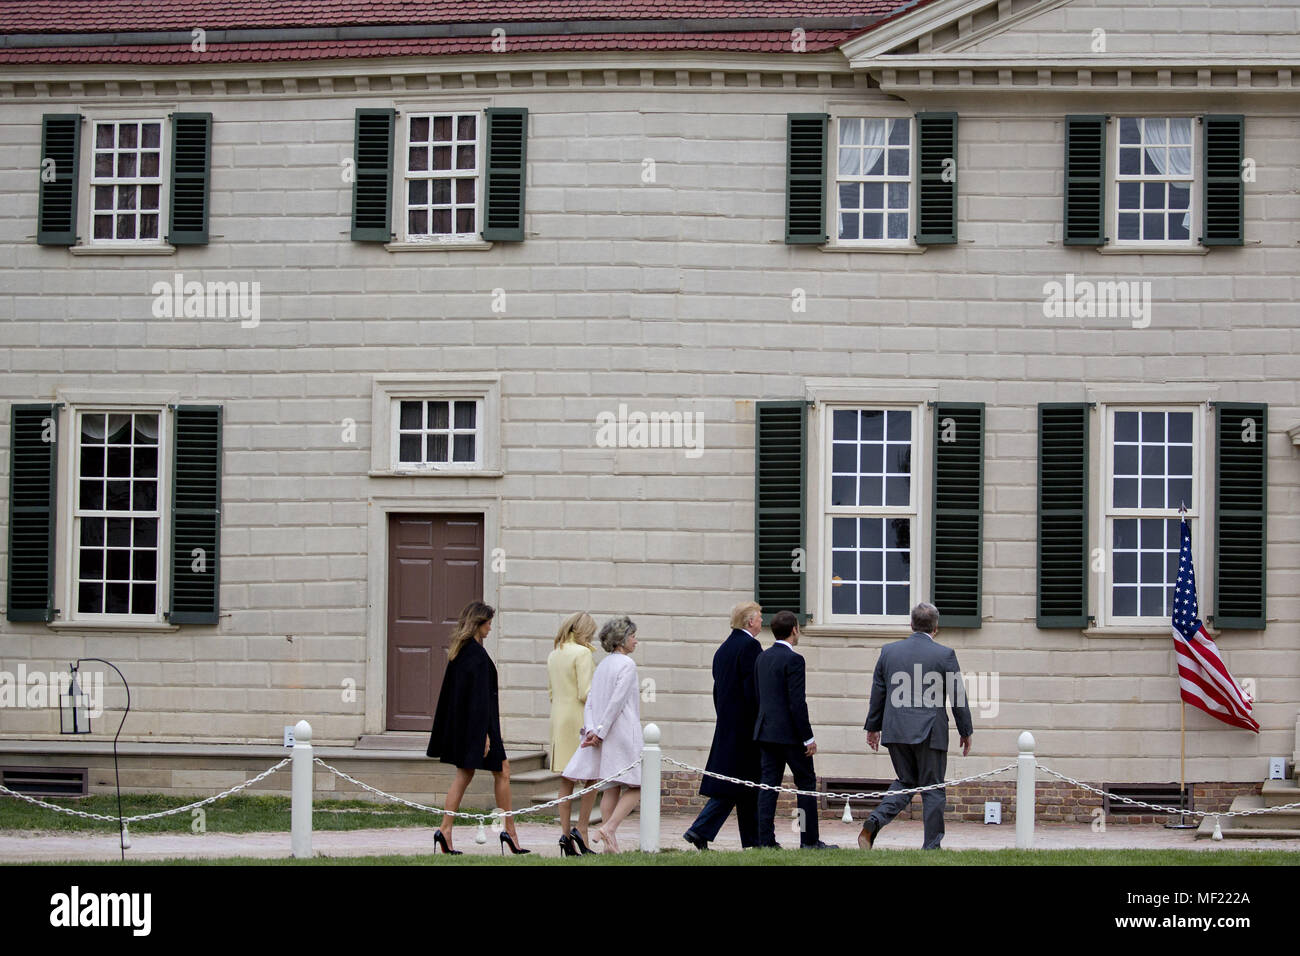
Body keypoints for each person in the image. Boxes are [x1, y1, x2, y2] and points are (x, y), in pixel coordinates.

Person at [860, 601, 973, 851]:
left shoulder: (889, 651)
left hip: (896, 728)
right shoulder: (944, 654)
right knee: (932, 788)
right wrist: (966, 731)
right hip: (930, 732)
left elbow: (878, 691)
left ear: (911, 624)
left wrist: (873, 727)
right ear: (936, 627)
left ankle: (874, 822)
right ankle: (931, 847)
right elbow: (958, 696)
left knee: (906, 781)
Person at [426, 601, 530, 855]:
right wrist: (483, 734)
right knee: (502, 771)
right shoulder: (475, 655)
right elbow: (479, 698)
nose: (490, 628)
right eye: (488, 623)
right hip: (481, 726)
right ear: (478, 623)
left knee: (466, 774)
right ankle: (510, 832)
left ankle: (446, 829)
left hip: (470, 725)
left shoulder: (461, 651)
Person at [753, 610, 836, 850]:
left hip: (766, 731)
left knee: (768, 786)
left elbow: (761, 697)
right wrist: (808, 737)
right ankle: (808, 840)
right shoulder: (795, 660)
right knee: (806, 784)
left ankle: (765, 841)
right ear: (794, 630)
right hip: (790, 735)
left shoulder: (762, 658)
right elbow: (797, 703)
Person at [683, 601, 763, 850]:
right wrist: (760, 722)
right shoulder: (750, 646)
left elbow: (718, 690)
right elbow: (753, 691)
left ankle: (753, 841)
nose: (762, 621)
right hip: (745, 728)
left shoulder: (723, 649)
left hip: (728, 724)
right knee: (736, 785)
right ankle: (699, 830)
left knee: (745, 786)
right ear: (750, 622)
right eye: (759, 617)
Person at [561, 616, 642, 853]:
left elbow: (591, 704)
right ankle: (609, 828)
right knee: (637, 785)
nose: (636, 641)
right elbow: (616, 702)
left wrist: (591, 731)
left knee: (611, 787)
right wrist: (600, 732)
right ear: (623, 639)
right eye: (633, 636)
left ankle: (610, 844)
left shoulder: (603, 664)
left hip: (603, 733)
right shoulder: (627, 665)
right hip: (623, 732)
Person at [547, 611, 598, 856]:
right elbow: (585, 692)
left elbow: (550, 692)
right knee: (591, 777)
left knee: (566, 780)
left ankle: (565, 835)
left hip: (558, 717)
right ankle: (582, 829)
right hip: (579, 718)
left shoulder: (554, 653)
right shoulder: (583, 653)